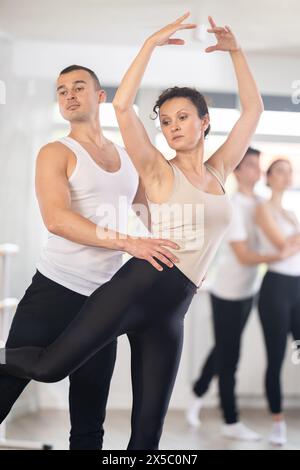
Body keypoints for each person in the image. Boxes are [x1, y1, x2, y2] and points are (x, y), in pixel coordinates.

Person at [0, 13, 264, 450]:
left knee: (147, 434)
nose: (173, 125)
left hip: (172, 306)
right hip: (135, 285)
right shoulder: (157, 170)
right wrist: (151, 43)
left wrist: (236, 51)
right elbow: (123, 107)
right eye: (165, 120)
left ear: (205, 121)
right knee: (49, 368)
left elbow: (253, 111)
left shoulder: (218, 170)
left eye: (183, 117)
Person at [0, 64, 178, 450]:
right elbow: (57, 219)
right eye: (62, 90)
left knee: (88, 420)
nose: (69, 95)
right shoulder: (55, 152)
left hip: (105, 302)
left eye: (79, 87)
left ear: (100, 97)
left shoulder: (128, 158)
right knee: (5, 391)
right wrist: (127, 243)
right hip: (55, 290)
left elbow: (148, 219)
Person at [186, 147, 297, 441]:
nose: (256, 171)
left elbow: (280, 243)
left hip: (251, 290)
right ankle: (230, 420)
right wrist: (279, 257)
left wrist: (283, 252)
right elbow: (245, 256)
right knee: (229, 354)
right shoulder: (232, 205)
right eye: (249, 166)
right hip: (228, 291)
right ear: (236, 170)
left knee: (223, 348)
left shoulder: (263, 203)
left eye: (258, 166)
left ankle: (197, 392)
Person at [256, 158, 300, 446]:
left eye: (289, 171)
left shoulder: (290, 214)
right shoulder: (263, 209)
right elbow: (283, 247)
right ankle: (278, 422)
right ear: (268, 177)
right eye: (280, 171)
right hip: (275, 289)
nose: (286, 176)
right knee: (276, 358)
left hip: (297, 287)